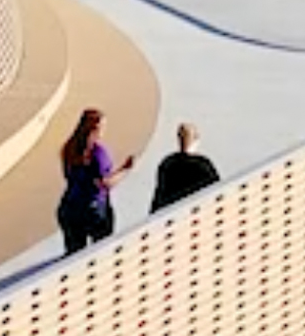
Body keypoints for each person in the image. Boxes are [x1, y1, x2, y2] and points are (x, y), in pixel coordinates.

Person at [55, 107, 132, 255]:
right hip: (93, 210)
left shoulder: (69, 148)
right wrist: (125, 169)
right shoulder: (98, 154)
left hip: (70, 207)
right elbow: (104, 184)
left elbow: (68, 175)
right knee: (102, 251)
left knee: (74, 254)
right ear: (96, 129)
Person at [149, 123, 220, 213]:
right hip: (197, 213)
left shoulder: (168, 163)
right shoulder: (203, 165)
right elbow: (216, 190)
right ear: (196, 139)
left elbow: (159, 195)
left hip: (172, 214)